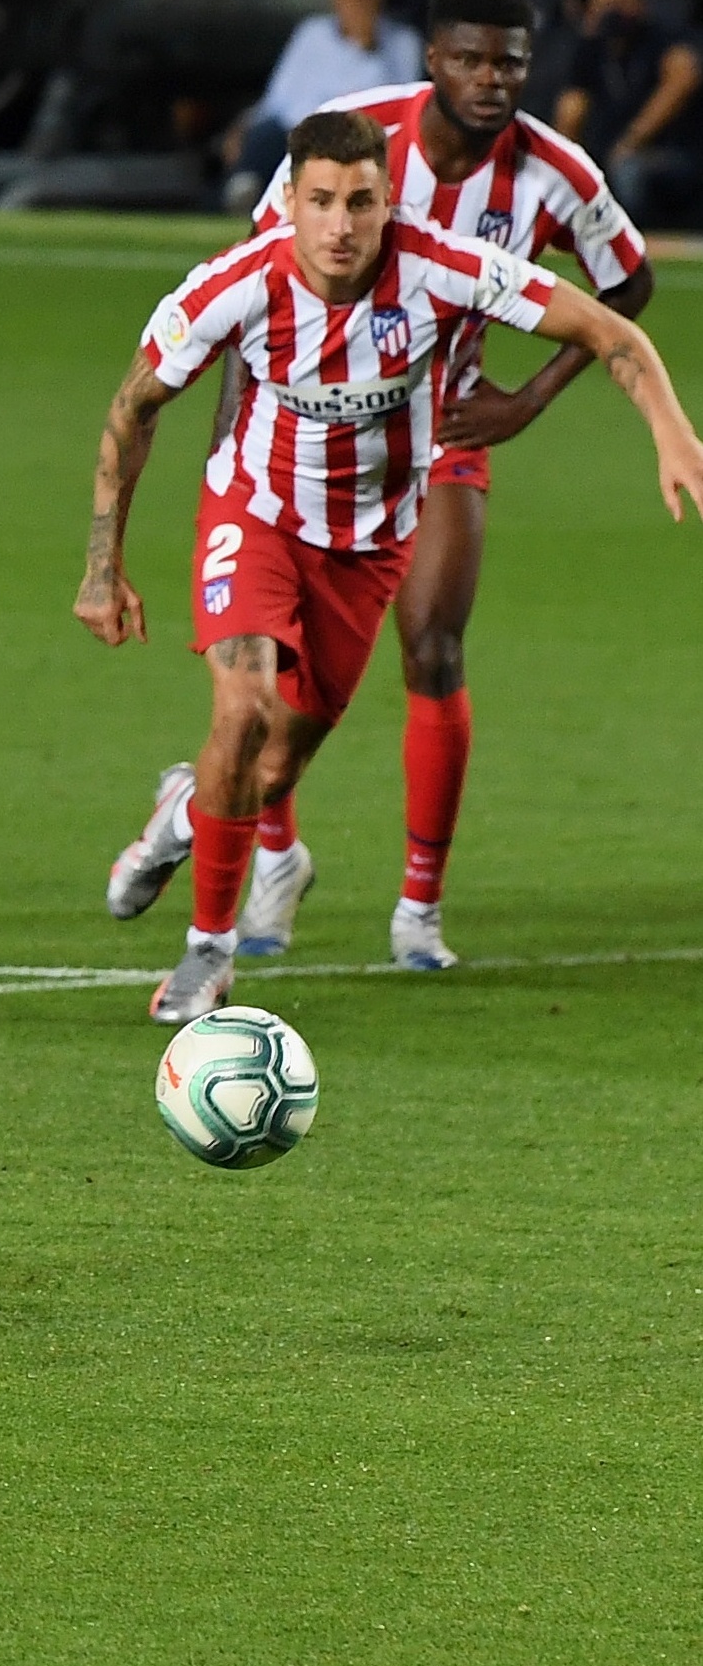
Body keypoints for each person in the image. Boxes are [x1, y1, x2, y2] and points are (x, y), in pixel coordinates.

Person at [73, 108, 703, 1026]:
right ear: (288, 201)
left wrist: (671, 429)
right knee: (242, 712)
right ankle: (207, 956)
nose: (339, 224)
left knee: (273, 768)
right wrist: (104, 563)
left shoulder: (444, 268)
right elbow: (135, 407)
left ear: (387, 202)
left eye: (359, 202)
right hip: (255, 516)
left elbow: (611, 328)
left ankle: (180, 815)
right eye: (320, 200)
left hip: (369, 548)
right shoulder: (234, 284)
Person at [221, 0, 423, 213]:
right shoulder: (311, 33)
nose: (355, 4)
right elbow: (278, 98)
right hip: (295, 130)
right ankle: (243, 196)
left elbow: (398, 103)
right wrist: (245, 124)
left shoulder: (403, 42)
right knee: (263, 137)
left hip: (357, 136)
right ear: (335, 0)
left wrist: (367, 44)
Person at [556, 0, 702, 230]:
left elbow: (681, 81)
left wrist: (631, 141)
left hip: (672, 153)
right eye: (604, 3)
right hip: (608, 151)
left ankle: (632, 245)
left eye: (620, 2)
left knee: (628, 171)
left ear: (640, 3)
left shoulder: (665, 39)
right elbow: (571, 109)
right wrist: (563, 160)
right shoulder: (591, 50)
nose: (613, 12)